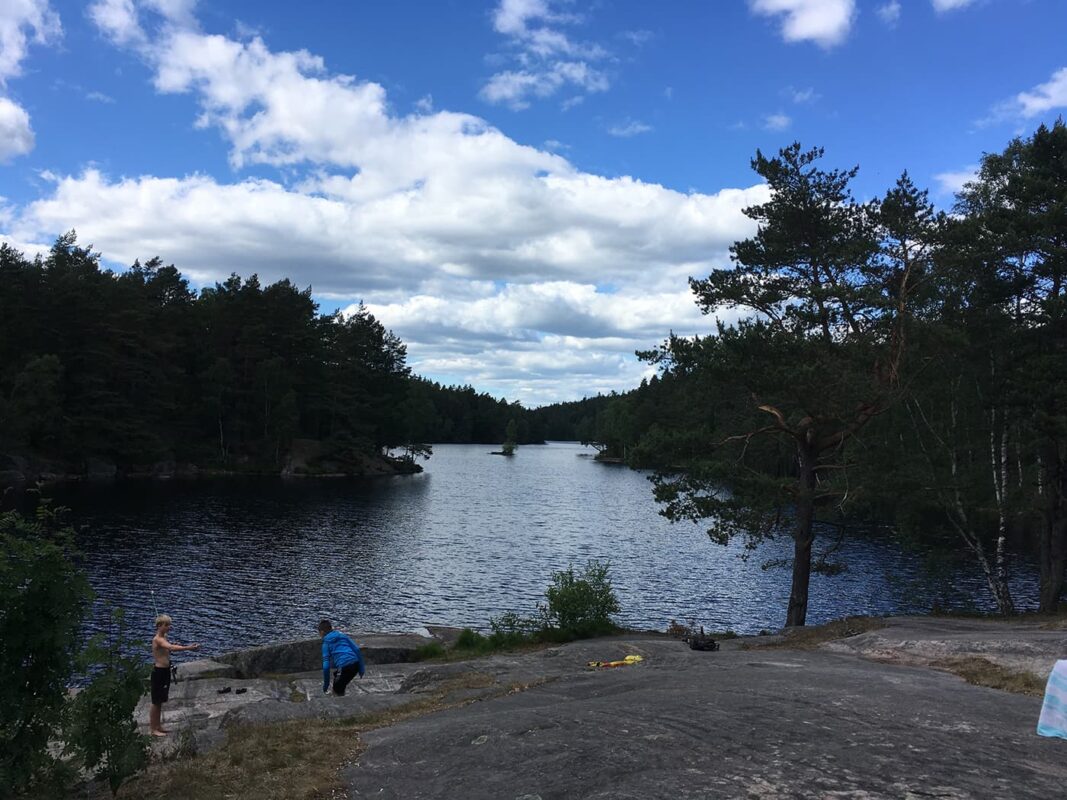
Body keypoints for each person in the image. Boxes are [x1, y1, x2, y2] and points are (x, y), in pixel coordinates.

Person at [150, 614, 200, 737]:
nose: (169, 627)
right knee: (156, 701)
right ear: (159, 626)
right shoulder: (158, 639)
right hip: (159, 672)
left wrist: (174, 645)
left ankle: (158, 726)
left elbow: (167, 647)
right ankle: (153, 729)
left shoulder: (164, 638)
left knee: (161, 700)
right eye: (166, 625)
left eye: (169, 624)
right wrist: (188, 648)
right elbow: (171, 647)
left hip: (165, 671)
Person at [319, 619, 365, 696]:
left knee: (336, 691)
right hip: (355, 664)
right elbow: (357, 649)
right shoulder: (342, 635)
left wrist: (326, 685)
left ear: (322, 632)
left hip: (344, 666)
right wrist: (361, 668)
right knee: (340, 683)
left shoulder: (326, 643)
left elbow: (326, 666)